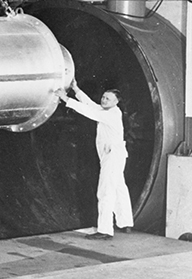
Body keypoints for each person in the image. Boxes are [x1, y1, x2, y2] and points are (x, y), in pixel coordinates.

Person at [57, 83, 134, 239]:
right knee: (119, 188)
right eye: (104, 97)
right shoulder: (107, 110)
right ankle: (126, 222)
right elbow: (91, 104)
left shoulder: (111, 114)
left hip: (112, 156)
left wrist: (65, 98)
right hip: (114, 156)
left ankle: (105, 230)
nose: (104, 100)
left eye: (108, 99)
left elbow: (88, 111)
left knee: (105, 191)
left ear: (115, 102)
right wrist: (76, 89)